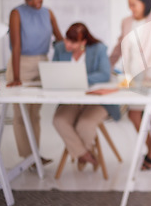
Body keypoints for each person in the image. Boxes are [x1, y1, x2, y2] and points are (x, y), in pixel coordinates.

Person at [6, 0, 63, 164]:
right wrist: (15, 77)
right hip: (21, 64)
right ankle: (27, 158)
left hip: (42, 63)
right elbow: (16, 46)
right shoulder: (17, 13)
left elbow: (61, 40)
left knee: (34, 114)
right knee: (21, 113)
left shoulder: (48, 13)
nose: (35, 0)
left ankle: (34, 157)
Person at [52, 23, 121, 170]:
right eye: (66, 40)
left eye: (72, 42)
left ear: (83, 42)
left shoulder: (98, 49)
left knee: (85, 124)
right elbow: (54, 72)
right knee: (59, 120)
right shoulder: (59, 49)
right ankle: (84, 154)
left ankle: (79, 154)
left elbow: (104, 74)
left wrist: (79, 78)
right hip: (71, 100)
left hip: (97, 101)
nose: (67, 44)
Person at [109, 0, 151, 170]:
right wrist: (109, 64)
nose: (131, 8)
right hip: (132, 76)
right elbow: (120, 44)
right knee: (134, 115)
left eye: (134, 4)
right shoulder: (126, 22)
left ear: (144, 2)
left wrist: (150, 76)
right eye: (129, 5)